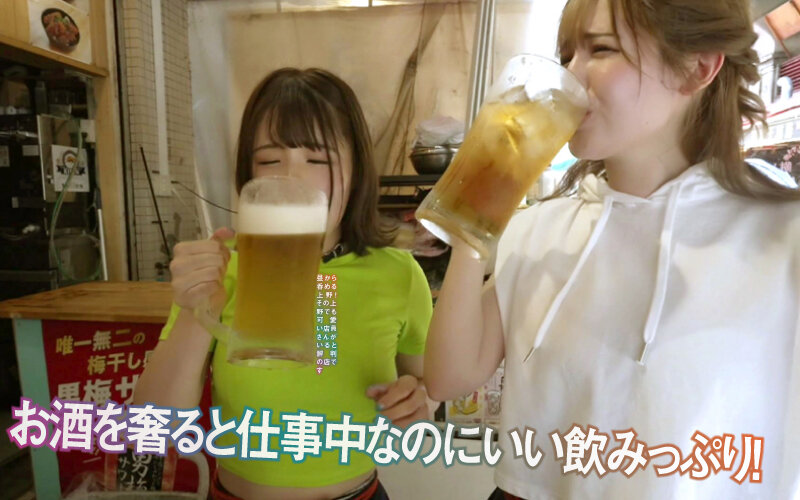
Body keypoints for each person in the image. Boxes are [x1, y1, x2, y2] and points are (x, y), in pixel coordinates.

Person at [424, 0, 800, 498]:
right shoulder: (539, 230)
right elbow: (446, 379)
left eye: (600, 49)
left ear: (697, 68)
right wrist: (474, 215)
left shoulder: (782, 237)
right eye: (566, 56)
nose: (571, 76)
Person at [134, 68, 433, 500]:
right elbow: (153, 426)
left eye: (318, 160)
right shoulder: (223, 269)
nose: (293, 179)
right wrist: (199, 309)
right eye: (270, 161)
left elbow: (425, 387)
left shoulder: (399, 273)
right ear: (247, 177)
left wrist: (418, 401)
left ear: (357, 169)